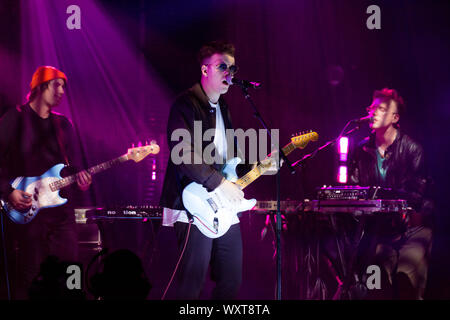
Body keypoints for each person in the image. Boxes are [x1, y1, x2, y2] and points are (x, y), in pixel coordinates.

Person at [160, 40, 250, 300]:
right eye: (223, 66)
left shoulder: (224, 108)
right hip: (193, 204)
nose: (229, 74)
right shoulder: (185, 105)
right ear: (204, 70)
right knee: (191, 286)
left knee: (231, 281)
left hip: (223, 206)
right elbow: (183, 154)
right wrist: (220, 184)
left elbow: (230, 160)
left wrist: (265, 165)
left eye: (232, 68)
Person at [0, 66, 92, 299]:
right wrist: (8, 192)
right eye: (57, 85)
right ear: (40, 87)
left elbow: (74, 166)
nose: (62, 91)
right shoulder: (15, 118)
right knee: (33, 277)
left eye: (64, 86)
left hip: (61, 215)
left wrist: (81, 179)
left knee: (72, 272)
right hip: (29, 215)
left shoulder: (64, 125)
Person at [349, 88, 433, 299]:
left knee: (407, 286)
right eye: (372, 108)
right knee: (375, 286)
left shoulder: (413, 149)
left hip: (412, 231)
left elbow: (417, 194)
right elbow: (355, 189)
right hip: (379, 232)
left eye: (381, 109)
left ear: (395, 118)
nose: (374, 112)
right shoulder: (362, 149)